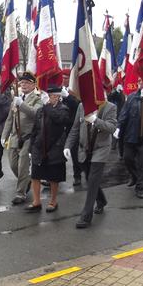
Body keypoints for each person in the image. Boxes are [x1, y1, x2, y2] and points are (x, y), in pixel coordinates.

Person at [65, 99, 117, 228]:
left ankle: (86, 216)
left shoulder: (110, 107)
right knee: (90, 178)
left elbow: (111, 127)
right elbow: (75, 128)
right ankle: (102, 200)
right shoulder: (82, 106)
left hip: (101, 148)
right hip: (84, 148)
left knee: (93, 180)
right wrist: (68, 146)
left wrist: (95, 120)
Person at [26, 86, 70, 213]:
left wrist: (48, 108)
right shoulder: (41, 110)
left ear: (58, 97)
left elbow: (60, 119)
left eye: (52, 96)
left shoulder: (63, 109)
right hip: (39, 147)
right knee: (35, 175)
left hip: (54, 147)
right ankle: (36, 201)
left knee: (53, 177)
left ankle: (53, 201)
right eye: (49, 96)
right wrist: (31, 147)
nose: (50, 98)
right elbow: (35, 129)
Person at [1, 71, 42, 205]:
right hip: (14, 137)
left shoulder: (37, 99)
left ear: (33, 85)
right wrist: (4, 136)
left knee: (23, 165)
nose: (23, 85)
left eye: (27, 83)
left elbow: (36, 113)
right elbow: (9, 119)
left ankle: (21, 193)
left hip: (28, 137)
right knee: (13, 165)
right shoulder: (17, 98)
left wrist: (22, 105)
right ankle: (26, 181)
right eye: (22, 82)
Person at [60, 68, 83, 185]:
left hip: (72, 125)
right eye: (62, 78)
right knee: (58, 154)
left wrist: (67, 96)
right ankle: (57, 177)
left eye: (66, 78)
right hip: (59, 126)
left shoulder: (75, 90)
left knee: (74, 153)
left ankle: (77, 175)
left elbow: (77, 104)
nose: (64, 80)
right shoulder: (58, 89)